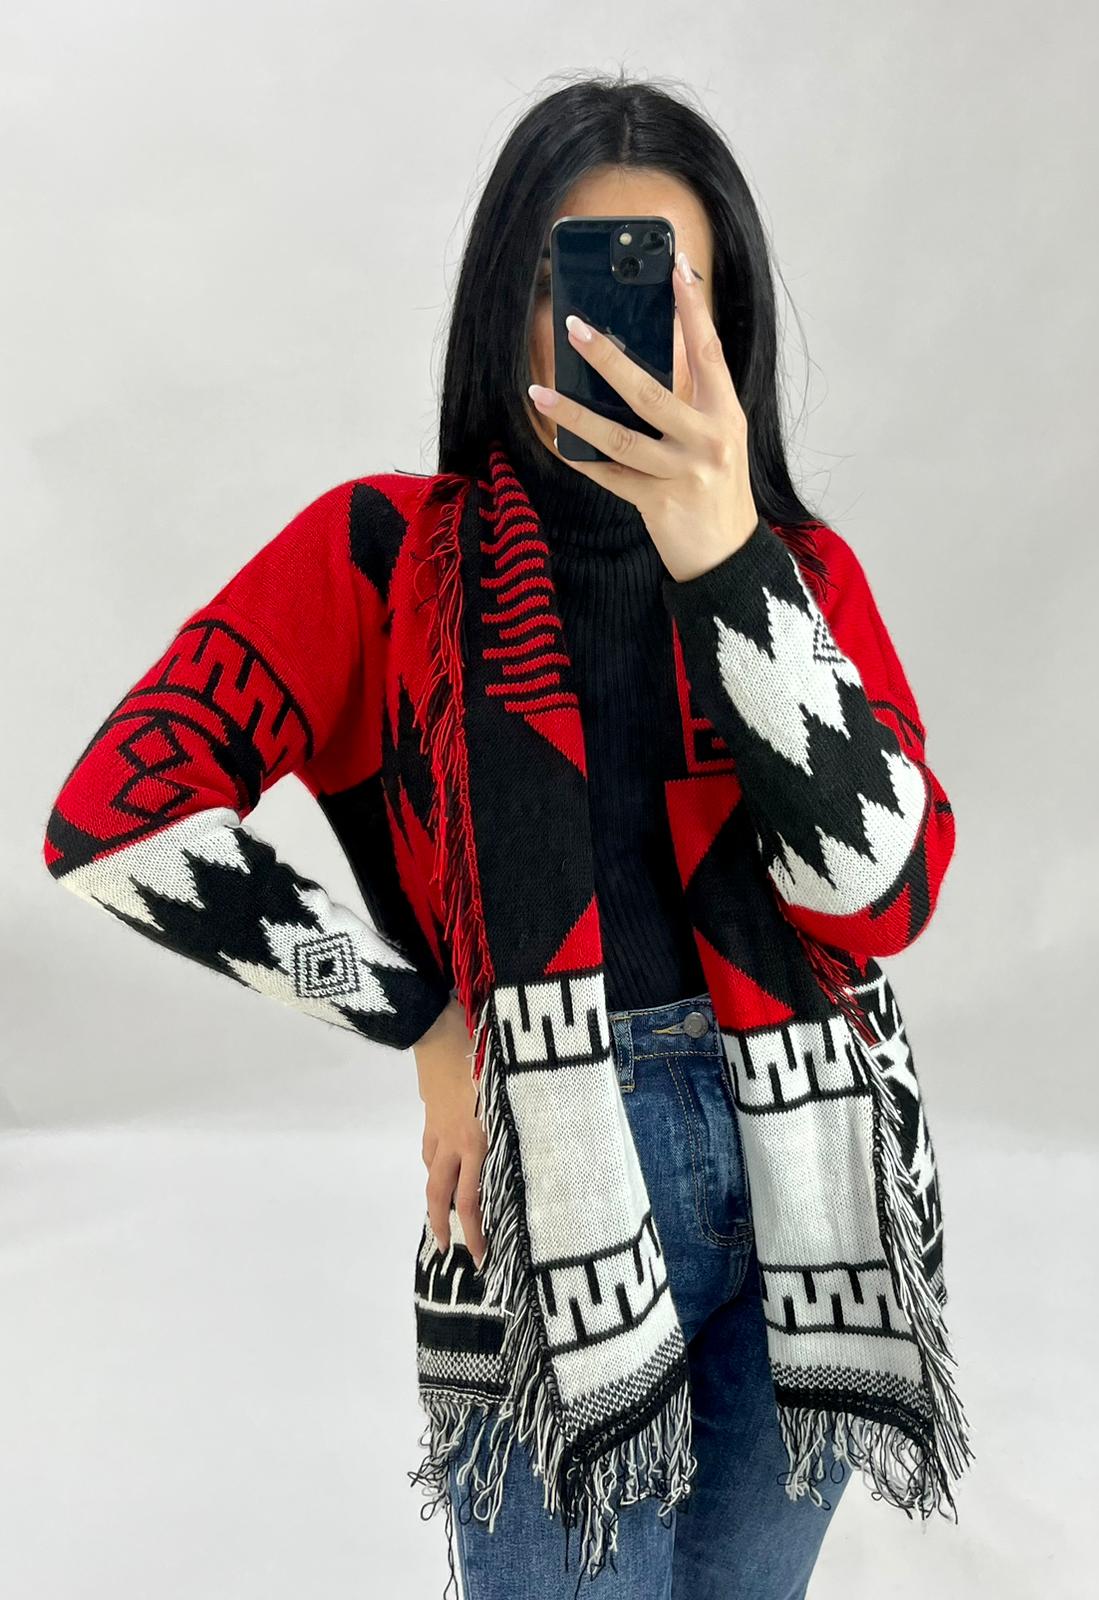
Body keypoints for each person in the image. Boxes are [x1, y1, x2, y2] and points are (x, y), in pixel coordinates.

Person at [43, 73, 964, 1600]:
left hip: (819, 1189)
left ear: (725, 318)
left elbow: (884, 899)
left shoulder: (798, 574)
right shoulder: (383, 560)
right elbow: (112, 821)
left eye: (663, 284)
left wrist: (724, 561)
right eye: (567, 280)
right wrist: (420, 1019)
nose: (608, 330)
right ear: (505, 305)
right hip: (551, 1178)